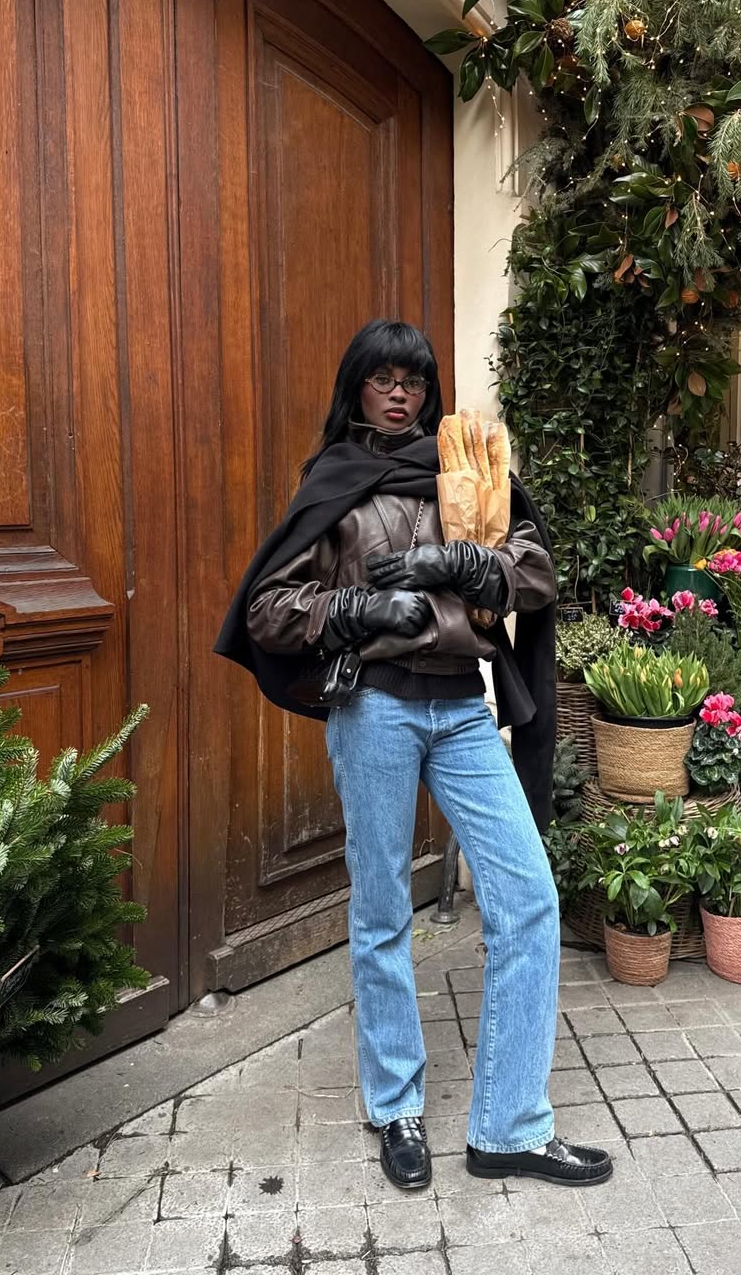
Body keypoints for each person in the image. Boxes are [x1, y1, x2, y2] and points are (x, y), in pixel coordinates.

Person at [215, 320, 613, 1193]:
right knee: (384, 913)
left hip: (462, 712)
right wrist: (358, 613)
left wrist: (466, 564)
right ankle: (396, 1107)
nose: (400, 394)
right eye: (382, 379)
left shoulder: (465, 469)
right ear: (356, 387)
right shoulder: (334, 482)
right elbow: (269, 609)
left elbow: (535, 570)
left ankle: (507, 1125)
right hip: (376, 713)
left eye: (415, 381)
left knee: (529, 897)